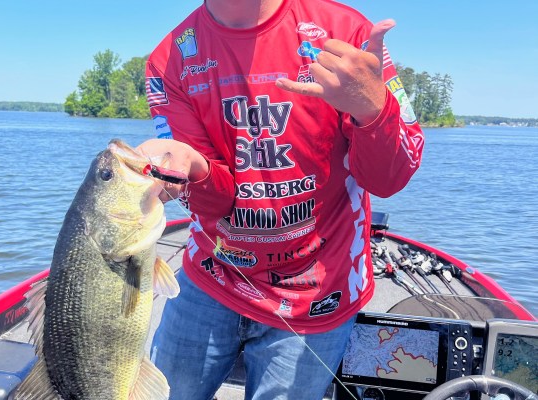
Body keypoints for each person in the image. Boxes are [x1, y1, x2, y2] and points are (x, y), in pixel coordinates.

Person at [137, 0, 424, 398]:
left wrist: (372, 108)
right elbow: (215, 202)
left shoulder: (346, 31)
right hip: (212, 276)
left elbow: (390, 177)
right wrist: (195, 168)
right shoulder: (169, 59)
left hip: (319, 292)